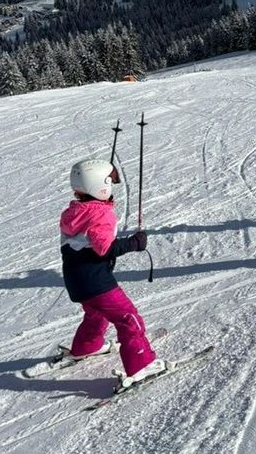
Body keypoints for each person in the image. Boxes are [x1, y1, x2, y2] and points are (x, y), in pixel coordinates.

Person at [60, 159, 164, 386]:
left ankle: (87, 346)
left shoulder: (73, 211)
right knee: (129, 319)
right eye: (110, 181)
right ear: (101, 186)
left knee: (95, 313)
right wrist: (134, 243)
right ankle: (141, 365)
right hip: (97, 282)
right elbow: (104, 249)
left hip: (76, 281)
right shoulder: (101, 214)